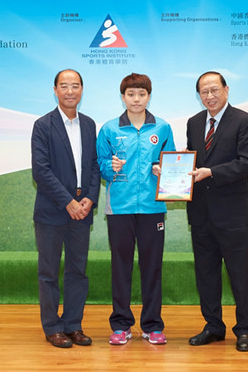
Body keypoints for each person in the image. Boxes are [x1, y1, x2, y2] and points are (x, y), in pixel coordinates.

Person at [96, 73, 176, 346]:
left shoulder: (162, 128)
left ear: (149, 96)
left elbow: (173, 165)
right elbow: (101, 164)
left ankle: (152, 325)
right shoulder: (109, 129)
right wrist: (111, 168)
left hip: (153, 208)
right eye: (131, 94)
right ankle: (120, 325)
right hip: (120, 207)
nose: (136, 99)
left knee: (152, 267)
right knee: (121, 267)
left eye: (141, 94)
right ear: (123, 97)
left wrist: (163, 171)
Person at [185, 71, 248, 352]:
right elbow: (193, 158)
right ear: (199, 95)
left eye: (214, 90)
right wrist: (177, 167)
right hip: (201, 212)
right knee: (206, 273)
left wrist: (211, 172)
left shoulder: (243, 120)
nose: (210, 96)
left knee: (239, 273)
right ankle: (213, 326)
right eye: (204, 92)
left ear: (226, 90)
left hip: (233, 213)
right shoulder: (194, 123)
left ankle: (245, 330)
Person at [31, 69, 101, 348]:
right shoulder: (43, 125)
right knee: (48, 272)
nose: (70, 91)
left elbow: (95, 166)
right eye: (64, 86)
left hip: (82, 212)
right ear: (55, 90)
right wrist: (68, 202)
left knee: (77, 271)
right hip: (52, 212)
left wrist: (90, 199)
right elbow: (41, 171)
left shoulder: (88, 124)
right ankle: (52, 327)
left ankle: (73, 325)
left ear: (82, 89)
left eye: (75, 86)